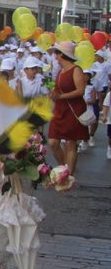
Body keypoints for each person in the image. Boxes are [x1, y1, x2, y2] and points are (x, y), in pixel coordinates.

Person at [48, 41, 88, 177]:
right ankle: (63, 167)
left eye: (56, 53)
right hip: (60, 108)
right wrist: (53, 93)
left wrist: (61, 96)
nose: (55, 57)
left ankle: (68, 175)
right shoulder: (60, 71)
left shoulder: (76, 70)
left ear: (62, 55)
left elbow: (80, 90)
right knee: (53, 142)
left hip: (73, 108)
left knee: (71, 143)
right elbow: (58, 88)